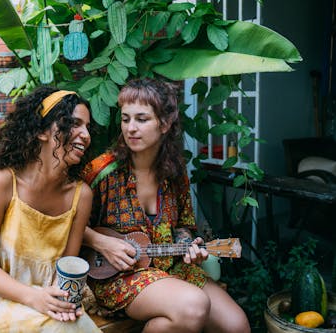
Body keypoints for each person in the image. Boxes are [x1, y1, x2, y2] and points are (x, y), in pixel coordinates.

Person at [81, 78, 251, 333]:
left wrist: (187, 246)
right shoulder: (101, 172)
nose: (131, 128)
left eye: (141, 119)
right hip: (120, 275)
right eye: (126, 119)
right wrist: (100, 242)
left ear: (165, 123)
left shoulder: (175, 171)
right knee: (193, 306)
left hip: (171, 266)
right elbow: (65, 222)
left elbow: (183, 226)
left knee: (237, 326)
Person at [0, 87, 101, 332]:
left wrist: (58, 299)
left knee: (70, 324)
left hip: (46, 296)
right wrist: (35, 298)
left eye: (87, 127)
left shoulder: (81, 196)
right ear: (42, 131)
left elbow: (65, 268)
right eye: (73, 124)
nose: (85, 134)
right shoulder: (0, 184)